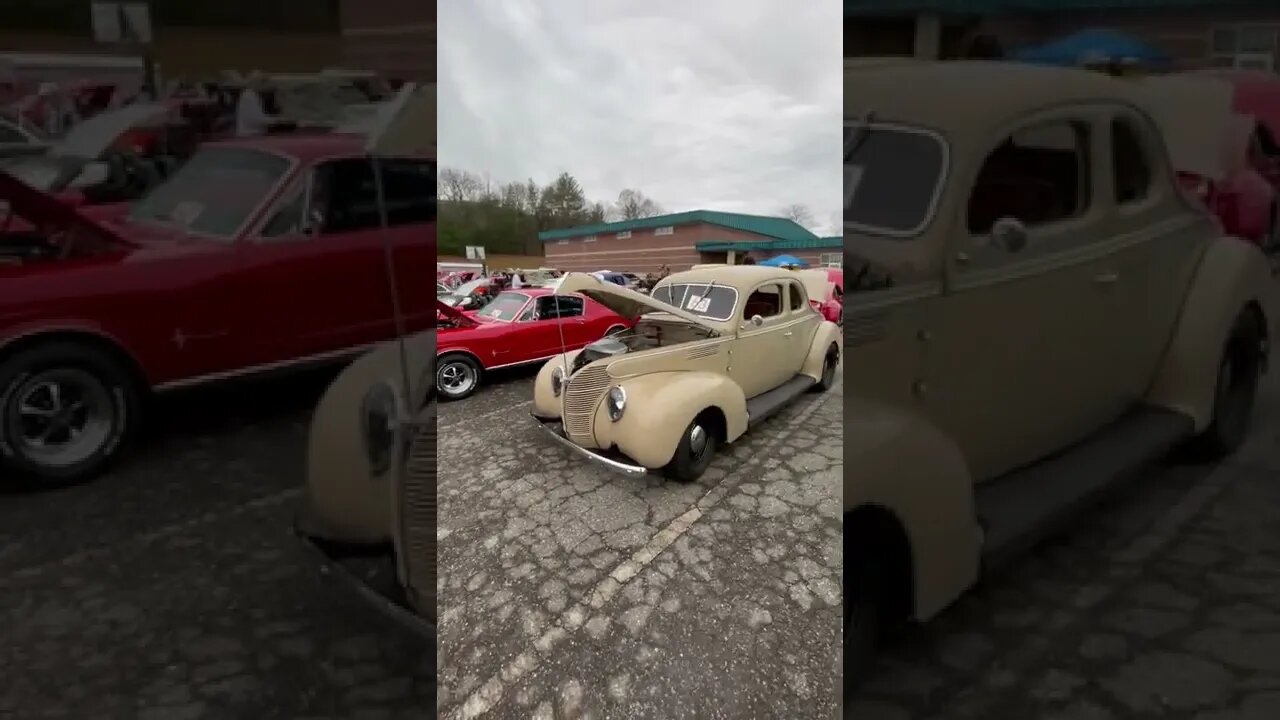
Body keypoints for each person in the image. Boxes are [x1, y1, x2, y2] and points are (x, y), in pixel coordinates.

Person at [235, 72, 275, 136]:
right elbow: (254, 119)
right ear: (257, 82)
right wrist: (276, 121)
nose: (267, 85)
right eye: (264, 82)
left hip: (252, 134)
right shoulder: (249, 96)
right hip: (250, 135)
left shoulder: (251, 95)